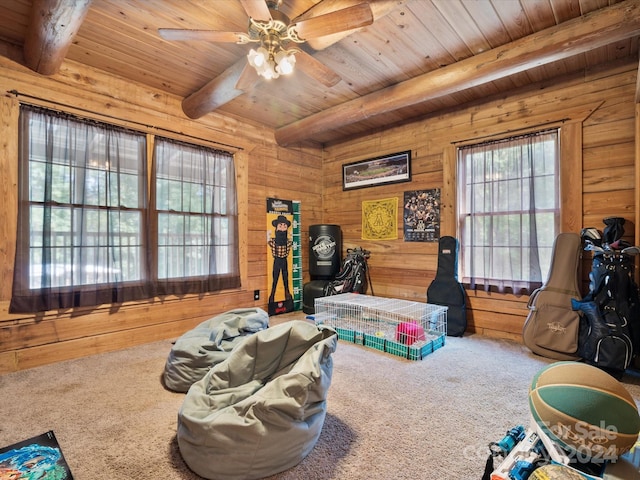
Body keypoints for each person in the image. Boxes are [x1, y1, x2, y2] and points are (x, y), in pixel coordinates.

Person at [268, 215, 293, 304]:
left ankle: (287, 294)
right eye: (280, 225)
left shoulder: (288, 242)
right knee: (275, 278)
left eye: (284, 226)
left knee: (285, 278)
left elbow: (292, 243)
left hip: (284, 260)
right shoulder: (273, 241)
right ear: (277, 227)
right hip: (277, 260)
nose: (282, 228)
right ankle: (272, 295)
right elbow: (269, 242)